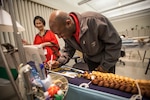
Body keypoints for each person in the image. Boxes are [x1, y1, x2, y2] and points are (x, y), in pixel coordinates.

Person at [48, 10, 122, 73]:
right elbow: (68, 50)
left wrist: (105, 66)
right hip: (90, 61)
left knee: (107, 86)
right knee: (94, 85)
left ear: (68, 23)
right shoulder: (66, 31)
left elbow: (114, 43)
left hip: (107, 59)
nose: (59, 37)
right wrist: (59, 62)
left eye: (60, 33)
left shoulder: (94, 20)